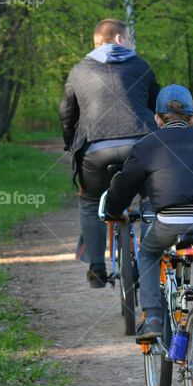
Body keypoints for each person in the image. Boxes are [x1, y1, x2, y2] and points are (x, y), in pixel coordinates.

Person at [101, 84, 193, 369]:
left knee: (149, 253)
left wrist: (113, 210)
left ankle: (152, 318)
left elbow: (125, 185)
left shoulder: (147, 145)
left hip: (171, 220)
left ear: (158, 119)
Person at [59, 18, 160, 287]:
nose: (131, 45)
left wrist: (71, 146)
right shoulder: (140, 66)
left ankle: (96, 268)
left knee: (91, 202)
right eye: (129, 39)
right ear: (118, 39)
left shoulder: (78, 71)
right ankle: (149, 259)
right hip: (140, 146)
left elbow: (67, 114)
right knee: (152, 197)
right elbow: (157, 107)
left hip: (96, 151)